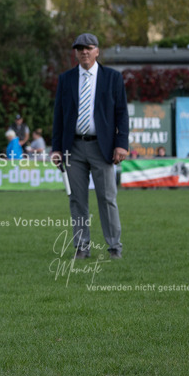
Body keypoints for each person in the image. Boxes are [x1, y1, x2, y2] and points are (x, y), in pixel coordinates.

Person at [51, 32, 128, 260]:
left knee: (107, 199)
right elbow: (59, 115)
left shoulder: (113, 78)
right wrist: (56, 148)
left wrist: (121, 144)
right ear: (76, 52)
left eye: (89, 47)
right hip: (72, 147)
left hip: (102, 147)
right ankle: (81, 247)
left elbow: (122, 113)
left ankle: (114, 247)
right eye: (80, 48)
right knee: (77, 199)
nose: (85, 51)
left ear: (97, 51)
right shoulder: (66, 79)